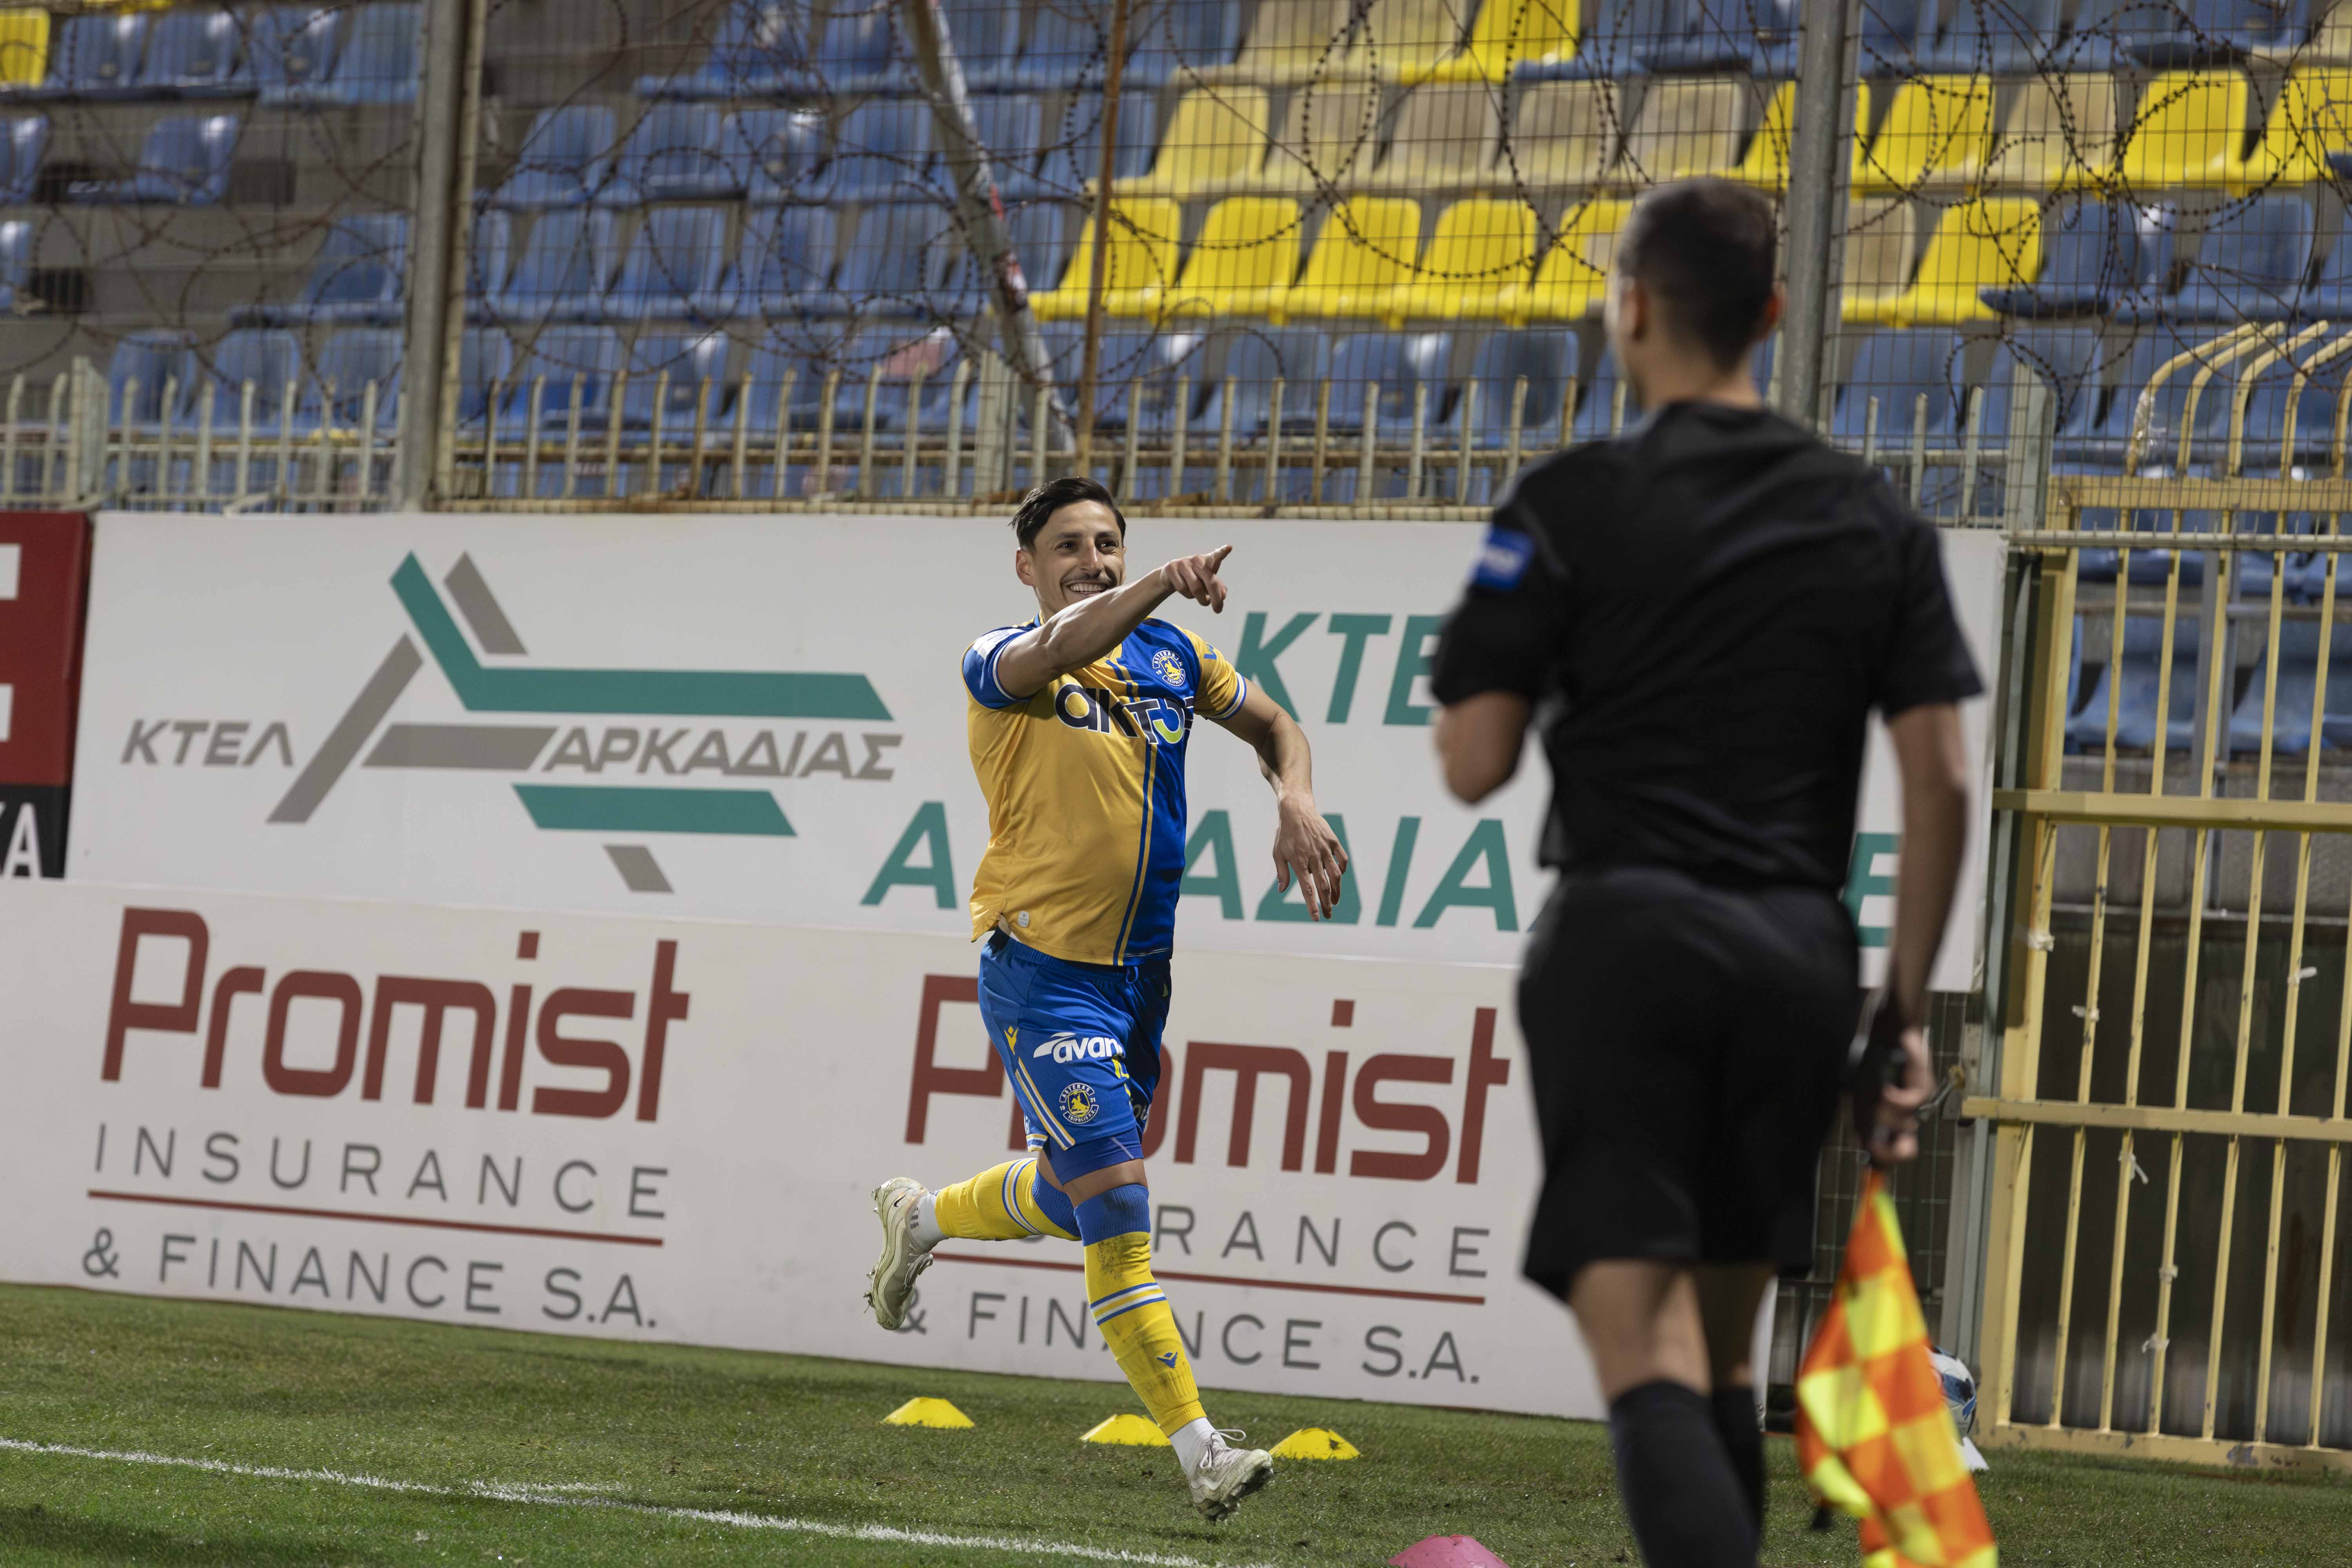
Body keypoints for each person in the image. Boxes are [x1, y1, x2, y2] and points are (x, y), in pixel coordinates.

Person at [1430, 177, 1980, 1568]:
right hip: (1797, 957)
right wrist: (1902, 1011)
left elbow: (1474, 763)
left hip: (1626, 944)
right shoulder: (1872, 515)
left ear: (1630, 309)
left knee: (1645, 1347)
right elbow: (1943, 783)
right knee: (1725, 1356)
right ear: (1774, 313)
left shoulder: (1567, 503)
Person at [864, 475, 1349, 1521]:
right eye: (1070, 547)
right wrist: (1161, 583)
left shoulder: (1177, 659)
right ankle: (1202, 1452)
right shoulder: (1000, 659)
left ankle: (923, 1216)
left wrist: (1296, 797)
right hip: (1043, 972)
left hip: (1141, 979)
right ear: (1027, 568)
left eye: (1109, 545)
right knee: (1119, 1204)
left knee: (1070, 1190)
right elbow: (1061, 647)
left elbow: (1277, 727)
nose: (1094, 561)